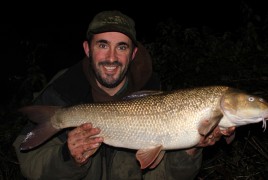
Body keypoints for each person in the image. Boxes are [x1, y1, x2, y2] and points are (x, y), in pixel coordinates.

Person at [13, 10, 235, 179]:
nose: (111, 58)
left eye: (121, 47)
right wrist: (68, 158)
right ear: (87, 49)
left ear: (133, 53)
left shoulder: (157, 97)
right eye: (103, 45)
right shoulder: (64, 91)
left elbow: (166, 176)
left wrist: (191, 147)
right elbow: (28, 163)